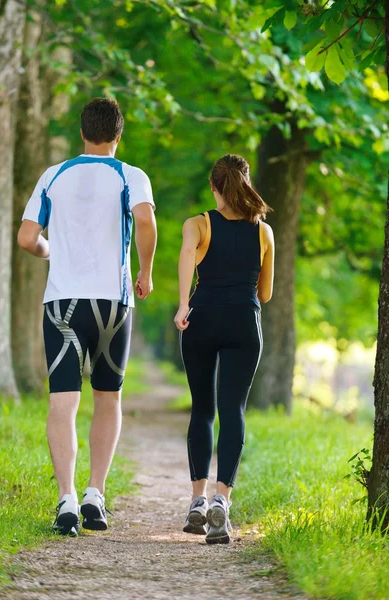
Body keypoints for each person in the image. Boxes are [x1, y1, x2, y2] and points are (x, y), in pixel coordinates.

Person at [18, 98, 157, 536]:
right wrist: (145, 272)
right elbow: (146, 224)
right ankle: (96, 493)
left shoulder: (53, 175)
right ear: (119, 135)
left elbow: (26, 238)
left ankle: (67, 500)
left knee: (62, 401)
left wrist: (49, 250)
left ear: (82, 133)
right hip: (112, 303)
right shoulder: (131, 175)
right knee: (107, 397)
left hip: (62, 304)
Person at [174, 153, 274, 544]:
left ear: (214, 187)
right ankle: (221, 501)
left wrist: (185, 305)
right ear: (245, 184)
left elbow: (186, 257)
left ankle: (197, 501)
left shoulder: (197, 225)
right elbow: (264, 293)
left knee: (203, 409)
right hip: (244, 323)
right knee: (232, 410)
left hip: (202, 318)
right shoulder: (264, 232)